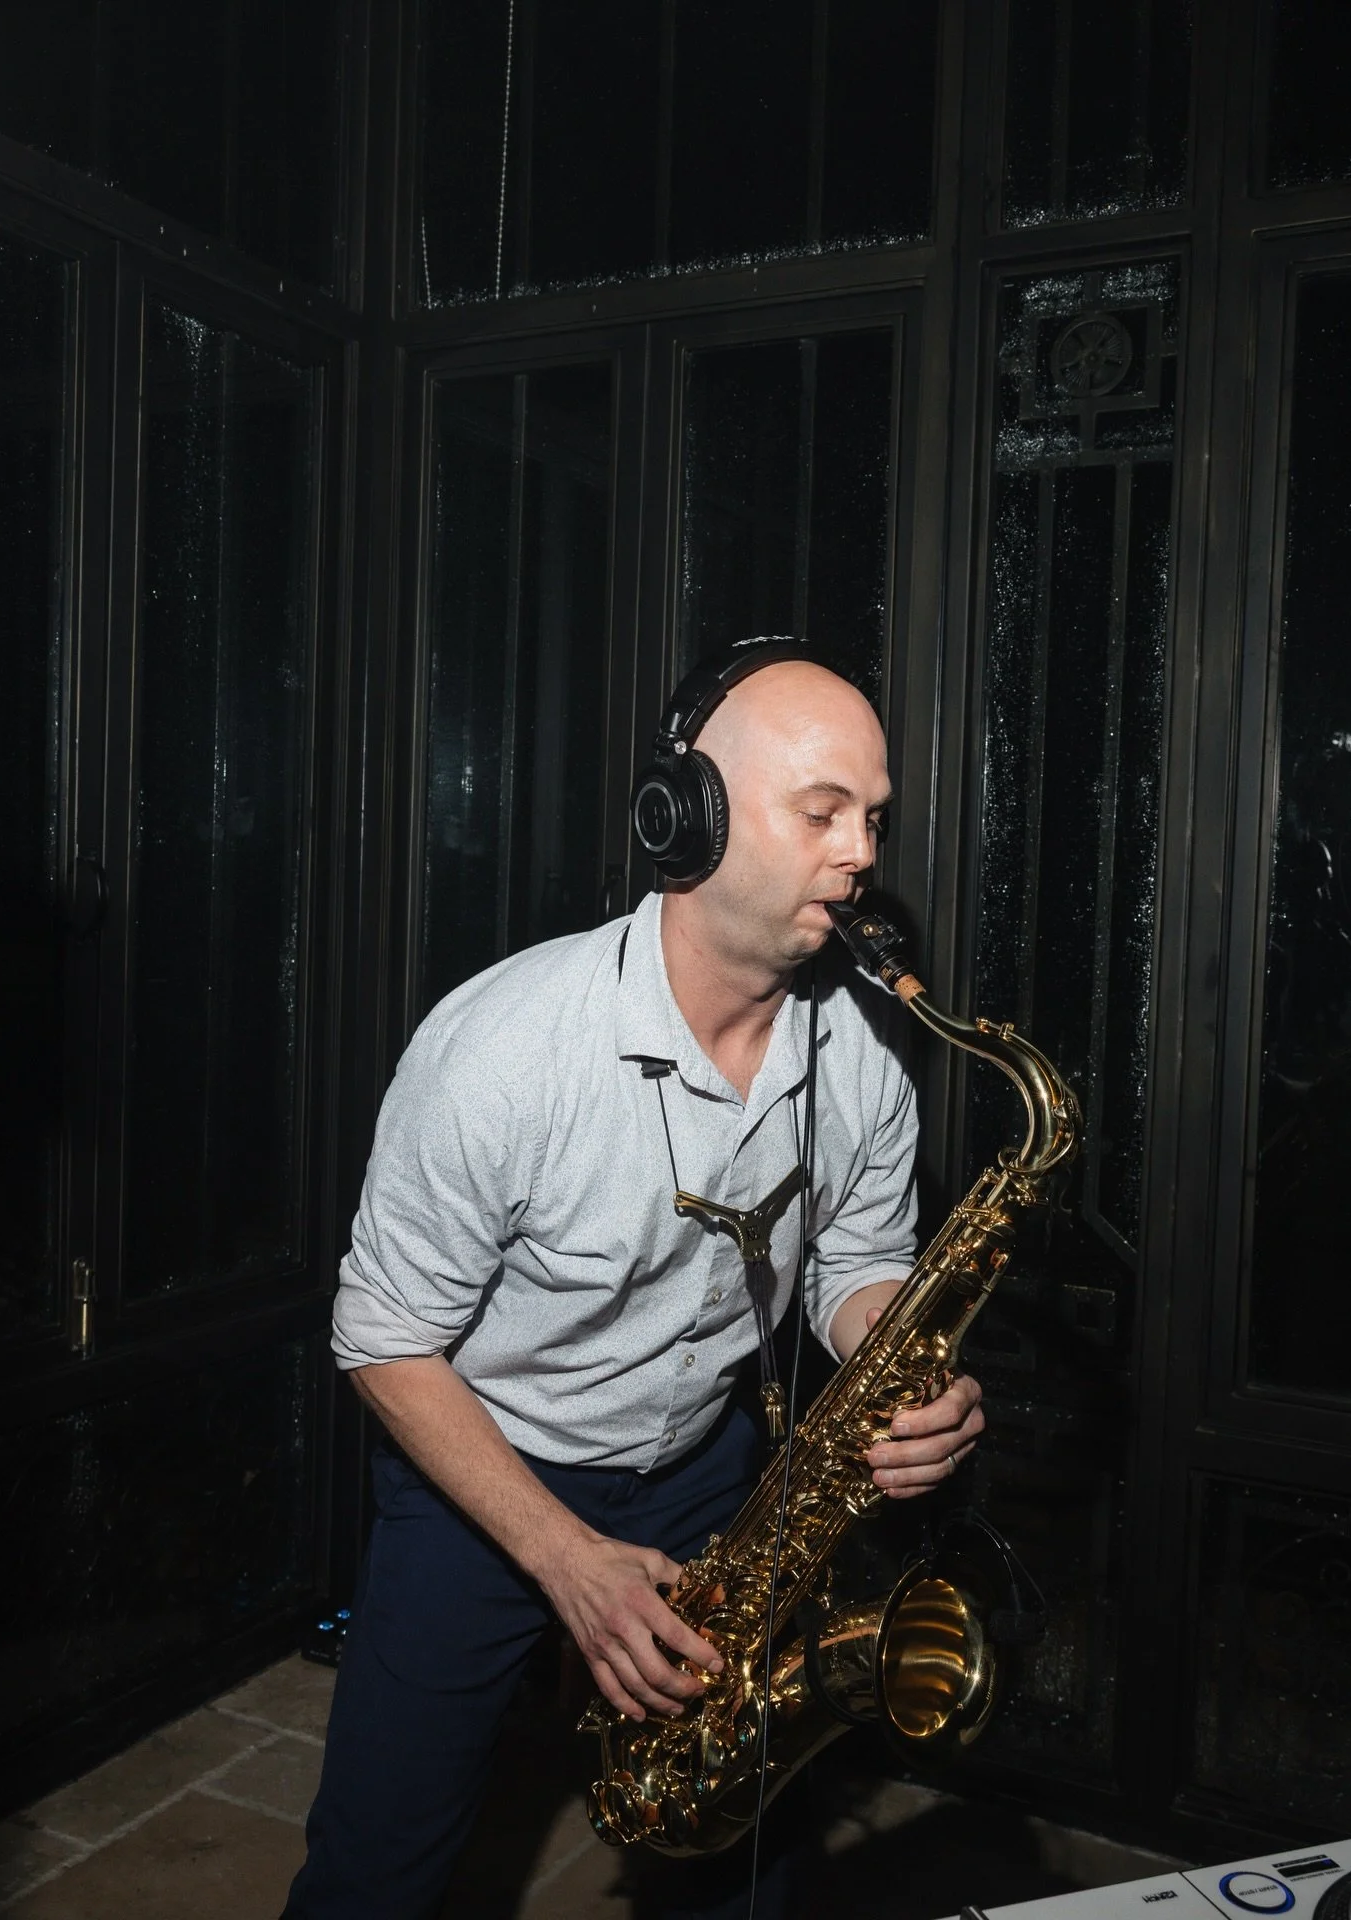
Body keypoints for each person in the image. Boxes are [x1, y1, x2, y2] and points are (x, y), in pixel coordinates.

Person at [284, 647, 985, 1918]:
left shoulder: (871, 1053)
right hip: (485, 1467)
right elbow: (379, 1334)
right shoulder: (502, 1048)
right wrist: (564, 1558)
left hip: (705, 1465)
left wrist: (903, 1361)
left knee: (737, 1844)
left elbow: (860, 1262)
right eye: (821, 810)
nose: (861, 852)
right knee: (379, 1864)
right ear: (691, 819)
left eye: (873, 817)